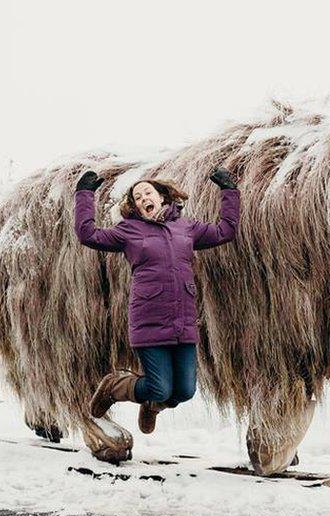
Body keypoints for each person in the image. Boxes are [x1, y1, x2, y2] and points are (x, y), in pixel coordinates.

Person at [73, 167, 240, 434]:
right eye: (137, 198)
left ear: (162, 197)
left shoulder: (187, 228)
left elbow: (225, 231)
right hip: (149, 319)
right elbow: (87, 234)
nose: (142, 199)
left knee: (184, 391)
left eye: (147, 193)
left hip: (183, 321)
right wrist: (85, 194)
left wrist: (229, 191)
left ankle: (153, 404)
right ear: (136, 208)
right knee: (160, 387)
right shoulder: (128, 230)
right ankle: (114, 386)